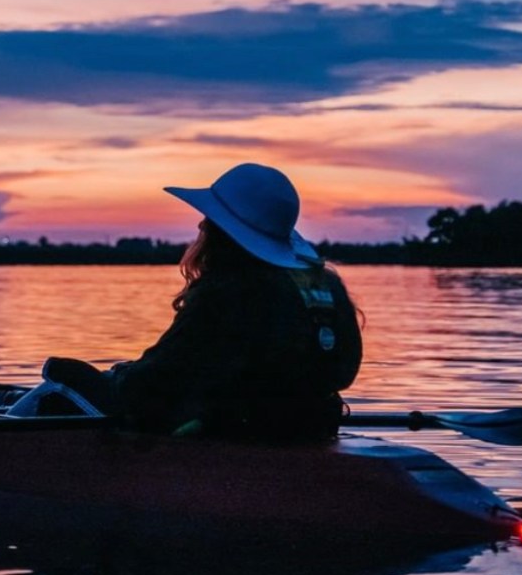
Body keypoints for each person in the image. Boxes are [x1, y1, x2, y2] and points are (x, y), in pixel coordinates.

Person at [43, 163, 363, 441]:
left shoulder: (229, 292)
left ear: (223, 234)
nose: (200, 225)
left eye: (208, 219)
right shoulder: (326, 285)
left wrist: (116, 376)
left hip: (239, 436)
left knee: (58, 375)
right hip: (303, 427)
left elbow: (150, 385)